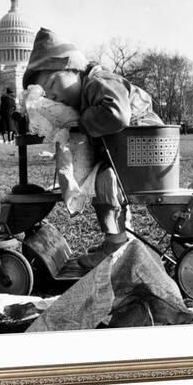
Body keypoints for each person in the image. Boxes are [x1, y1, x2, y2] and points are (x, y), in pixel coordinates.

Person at [23, 27, 163, 269]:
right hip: (134, 153)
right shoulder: (90, 89)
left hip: (144, 152)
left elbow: (117, 115)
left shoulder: (98, 82)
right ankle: (116, 240)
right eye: (49, 94)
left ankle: (116, 244)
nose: (55, 95)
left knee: (103, 182)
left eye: (55, 82)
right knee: (101, 180)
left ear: (74, 67)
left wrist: (82, 123)